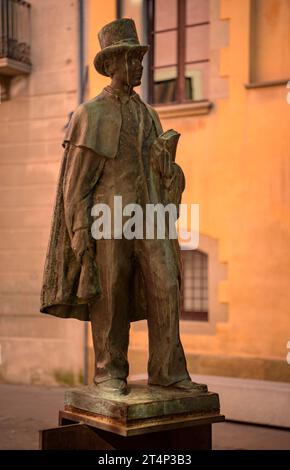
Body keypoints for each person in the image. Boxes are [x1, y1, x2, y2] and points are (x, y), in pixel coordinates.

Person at [40, 18, 207, 396]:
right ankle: (109, 371)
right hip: (107, 218)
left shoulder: (148, 114)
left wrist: (170, 170)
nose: (139, 65)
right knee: (110, 293)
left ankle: (168, 370)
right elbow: (76, 184)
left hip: (149, 217)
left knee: (166, 283)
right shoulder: (90, 115)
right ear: (112, 64)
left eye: (140, 58)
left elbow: (162, 171)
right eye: (131, 59)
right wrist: (80, 232)